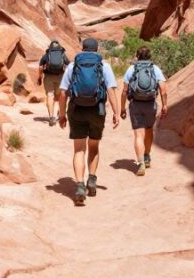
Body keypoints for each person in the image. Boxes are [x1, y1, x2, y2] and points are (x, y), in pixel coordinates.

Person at [57, 38, 120, 204]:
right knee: (94, 146)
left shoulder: (73, 65)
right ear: (97, 49)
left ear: (82, 49)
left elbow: (63, 93)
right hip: (97, 110)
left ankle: (79, 185)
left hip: (76, 109)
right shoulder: (104, 65)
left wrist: (62, 114)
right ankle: (91, 180)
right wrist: (116, 111)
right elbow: (111, 90)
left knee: (79, 149)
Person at [120, 46, 168, 176]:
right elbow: (163, 90)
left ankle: (140, 163)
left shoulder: (132, 69)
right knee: (149, 130)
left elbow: (125, 90)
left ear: (137, 56)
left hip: (135, 104)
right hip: (150, 104)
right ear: (150, 56)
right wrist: (164, 105)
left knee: (138, 135)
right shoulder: (155, 68)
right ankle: (147, 156)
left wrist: (122, 107)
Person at [38, 40, 69, 126]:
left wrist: (39, 77)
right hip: (60, 77)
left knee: (50, 95)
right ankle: (61, 114)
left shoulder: (47, 55)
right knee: (60, 96)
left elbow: (40, 67)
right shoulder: (62, 54)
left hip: (48, 77)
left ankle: (51, 117)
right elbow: (68, 65)